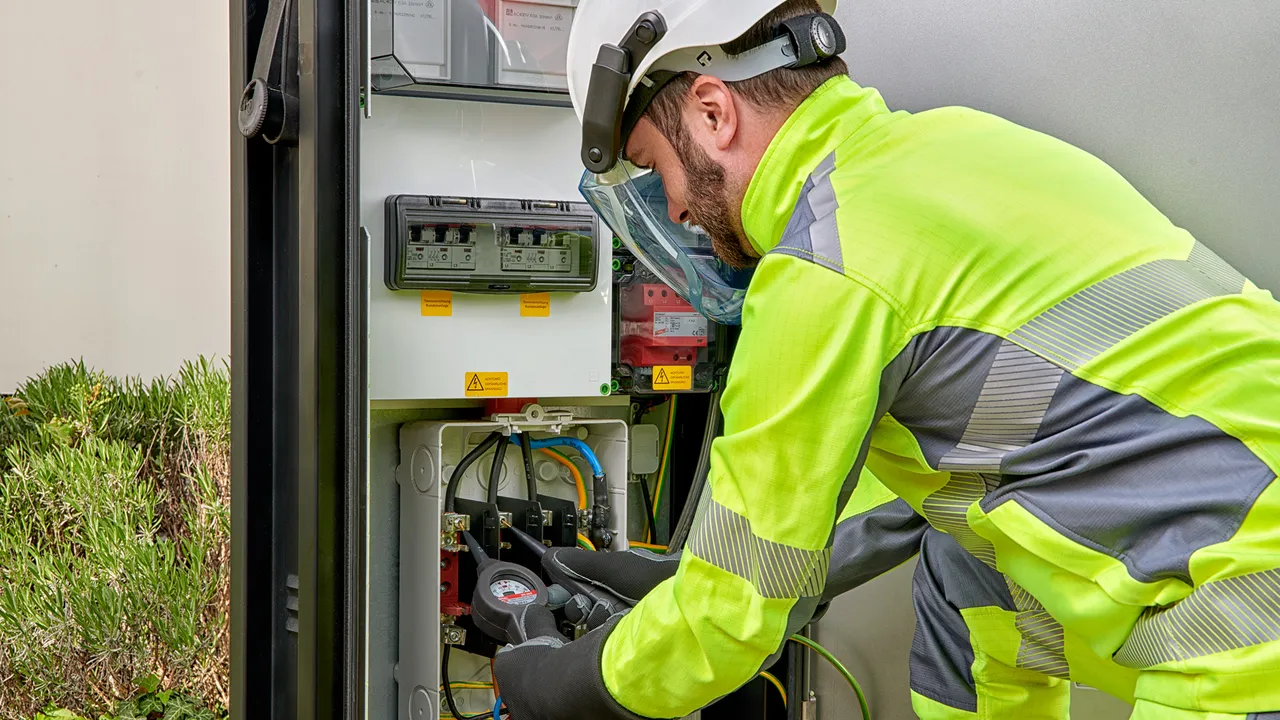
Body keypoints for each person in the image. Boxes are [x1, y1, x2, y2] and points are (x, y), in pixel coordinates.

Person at [492, 1, 1280, 718]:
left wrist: (565, 686)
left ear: (711, 110)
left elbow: (729, 617)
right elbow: (977, 451)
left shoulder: (824, 269)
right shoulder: (957, 149)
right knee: (963, 568)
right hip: (1239, 529)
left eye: (654, 165)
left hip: (1245, 625)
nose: (672, 206)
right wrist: (689, 576)